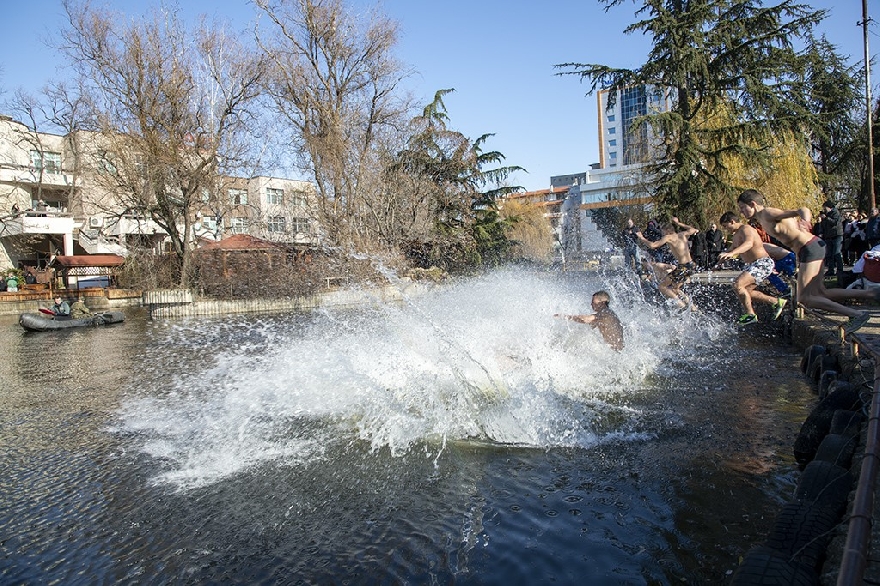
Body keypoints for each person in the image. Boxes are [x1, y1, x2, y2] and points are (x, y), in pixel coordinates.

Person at [737, 189, 874, 335]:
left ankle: (857, 315)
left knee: (804, 298)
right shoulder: (762, 219)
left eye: (742, 208)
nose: (741, 212)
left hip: (810, 247)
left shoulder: (767, 213)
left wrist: (805, 221)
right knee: (821, 293)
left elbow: (802, 209)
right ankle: (871, 293)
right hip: (807, 249)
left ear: (752, 204)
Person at [718, 212, 788, 325]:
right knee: (746, 292)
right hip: (753, 265)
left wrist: (733, 253)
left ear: (732, 222)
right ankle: (777, 302)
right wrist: (717, 265)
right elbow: (729, 251)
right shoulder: (736, 236)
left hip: (762, 263)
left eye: (726, 226)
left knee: (737, 285)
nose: (726, 230)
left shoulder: (746, 228)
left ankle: (750, 315)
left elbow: (749, 243)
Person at [636, 217, 699, 309]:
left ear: (667, 230)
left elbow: (653, 245)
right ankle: (693, 308)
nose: (662, 233)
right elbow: (693, 230)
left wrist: (641, 237)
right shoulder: (682, 234)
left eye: (663, 231)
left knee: (662, 287)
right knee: (675, 288)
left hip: (683, 267)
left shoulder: (668, 237)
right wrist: (678, 223)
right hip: (691, 265)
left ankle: (682, 307)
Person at [555, 290, 625, 350]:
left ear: (602, 302)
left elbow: (585, 319)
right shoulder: (608, 313)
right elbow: (590, 325)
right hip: (616, 351)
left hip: (613, 353)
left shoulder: (605, 312)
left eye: (593, 301)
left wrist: (565, 316)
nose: (591, 304)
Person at [820, 200, 844, 277]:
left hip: (837, 235)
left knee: (837, 253)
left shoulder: (836, 213)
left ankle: (840, 270)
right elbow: (824, 226)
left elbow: (834, 223)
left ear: (829, 207)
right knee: (829, 255)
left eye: (825, 208)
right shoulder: (827, 215)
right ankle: (831, 270)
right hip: (828, 236)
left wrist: (826, 218)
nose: (824, 210)